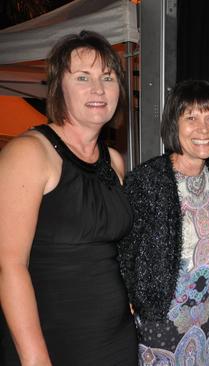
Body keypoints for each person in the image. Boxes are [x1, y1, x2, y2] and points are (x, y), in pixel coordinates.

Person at [0, 30, 137, 365]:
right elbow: (9, 266)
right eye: (82, 77)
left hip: (115, 340)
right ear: (58, 87)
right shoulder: (29, 152)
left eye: (107, 77)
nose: (98, 89)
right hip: (55, 341)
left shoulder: (114, 161)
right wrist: (35, 360)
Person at [117, 80, 209, 365]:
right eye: (191, 117)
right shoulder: (146, 181)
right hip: (163, 319)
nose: (203, 129)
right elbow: (122, 249)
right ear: (173, 124)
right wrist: (133, 302)